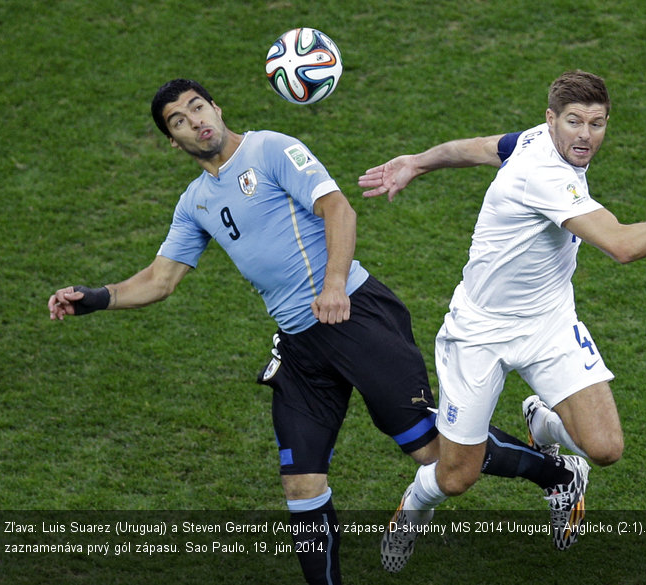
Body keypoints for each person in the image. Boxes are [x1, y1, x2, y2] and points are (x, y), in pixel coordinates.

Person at [48, 79, 588, 583]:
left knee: (432, 452)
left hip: (354, 313)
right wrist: (93, 299)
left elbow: (338, 209)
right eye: (179, 121)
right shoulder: (196, 203)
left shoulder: (271, 149)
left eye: (197, 107)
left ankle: (556, 475)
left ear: (217, 108)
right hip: (300, 345)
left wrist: (333, 285)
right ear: (172, 141)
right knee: (302, 485)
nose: (195, 122)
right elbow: (161, 279)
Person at [359, 69, 646, 571]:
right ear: (551, 121)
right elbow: (622, 246)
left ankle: (544, 427)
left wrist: (418, 161)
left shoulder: (533, 140)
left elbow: (479, 147)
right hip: (479, 332)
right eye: (574, 122)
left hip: (547, 322)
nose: (586, 136)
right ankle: (412, 509)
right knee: (456, 477)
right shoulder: (543, 174)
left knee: (606, 448)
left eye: (597, 123)